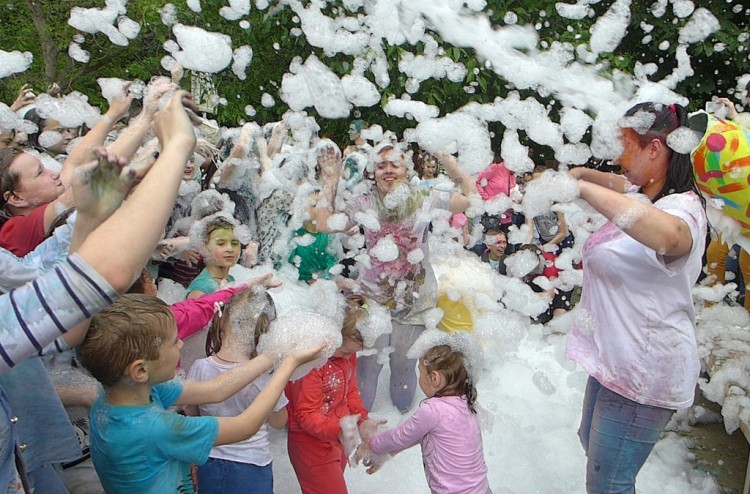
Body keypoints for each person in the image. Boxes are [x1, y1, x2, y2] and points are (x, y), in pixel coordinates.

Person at [0, 89, 199, 491]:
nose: (52, 173)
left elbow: (65, 323)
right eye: (36, 172)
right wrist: (176, 144)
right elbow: (98, 275)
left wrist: (90, 218)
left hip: (30, 464)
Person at [566, 102, 707, 493]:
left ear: (655, 149)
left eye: (625, 147)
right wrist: (577, 174)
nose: (616, 158)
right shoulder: (645, 193)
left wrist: (578, 188)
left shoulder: (683, 210)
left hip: (645, 370)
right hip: (615, 360)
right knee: (592, 450)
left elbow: (669, 237)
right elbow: (617, 186)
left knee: (609, 483)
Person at [76, 293, 325, 494]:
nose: (182, 344)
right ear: (140, 370)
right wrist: (289, 364)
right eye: (174, 342)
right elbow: (245, 425)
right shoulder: (156, 428)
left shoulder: (124, 395)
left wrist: (272, 355)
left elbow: (216, 390)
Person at [315, 141, 477, 413]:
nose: (387, 170)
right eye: (381, 165)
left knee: (404, 365)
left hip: (415, 299)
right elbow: (323, 223)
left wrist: (445, 156)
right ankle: (364, 426)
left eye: (394, 164)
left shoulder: (426, 196)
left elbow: (471, 198)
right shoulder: (365, 202)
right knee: (368, 365)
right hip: (373, 299)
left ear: (406, 168)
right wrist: (332, 178)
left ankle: (402, 424)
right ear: (373, 171)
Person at [186, 285, 284, 494]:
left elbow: (192, 417)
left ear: (222, 319)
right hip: (252, 464)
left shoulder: (200, 367)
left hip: (208, 458)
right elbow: (279, 421)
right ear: (268, 332)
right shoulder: (266, 374)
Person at [360, 344, 490, 494]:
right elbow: (418, 435)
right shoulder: (466, 403)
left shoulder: (432, 411)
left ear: (434, 378)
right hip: (482, 489)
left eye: (420, 373)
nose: (420, 377)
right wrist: (385, 453)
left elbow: (400, 436)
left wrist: (373, 445)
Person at [285, 295, 378, 494]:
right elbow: (305, 415)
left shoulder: (347, 353)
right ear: (330, 337)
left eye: (353, 353)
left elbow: (351, 392)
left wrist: (362, 420)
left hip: (338, 437)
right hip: (310, 445)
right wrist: (339, 431)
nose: (349, 357)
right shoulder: (310, 364)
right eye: (345, 352)